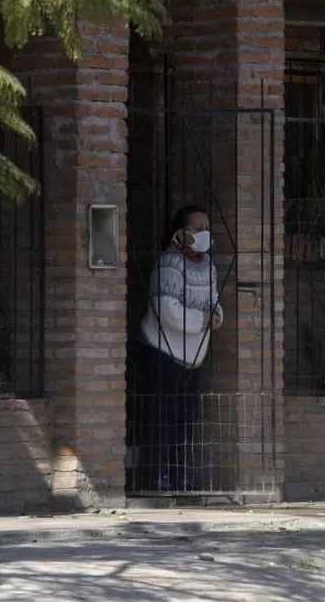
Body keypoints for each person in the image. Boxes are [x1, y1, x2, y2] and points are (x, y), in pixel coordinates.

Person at [138, 205, 223, 492]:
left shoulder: (208, 265)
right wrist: (203, 320)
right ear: (181, 232)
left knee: (186, 418)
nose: (204, 235)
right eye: (198, 229)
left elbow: (213, 298)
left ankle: (178, 474)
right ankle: (156, 475)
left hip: (193, 355)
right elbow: (166, 310)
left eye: (207, 229)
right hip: (163, 351)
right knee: (162, 418)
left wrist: (217, 314)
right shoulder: (170, 264)